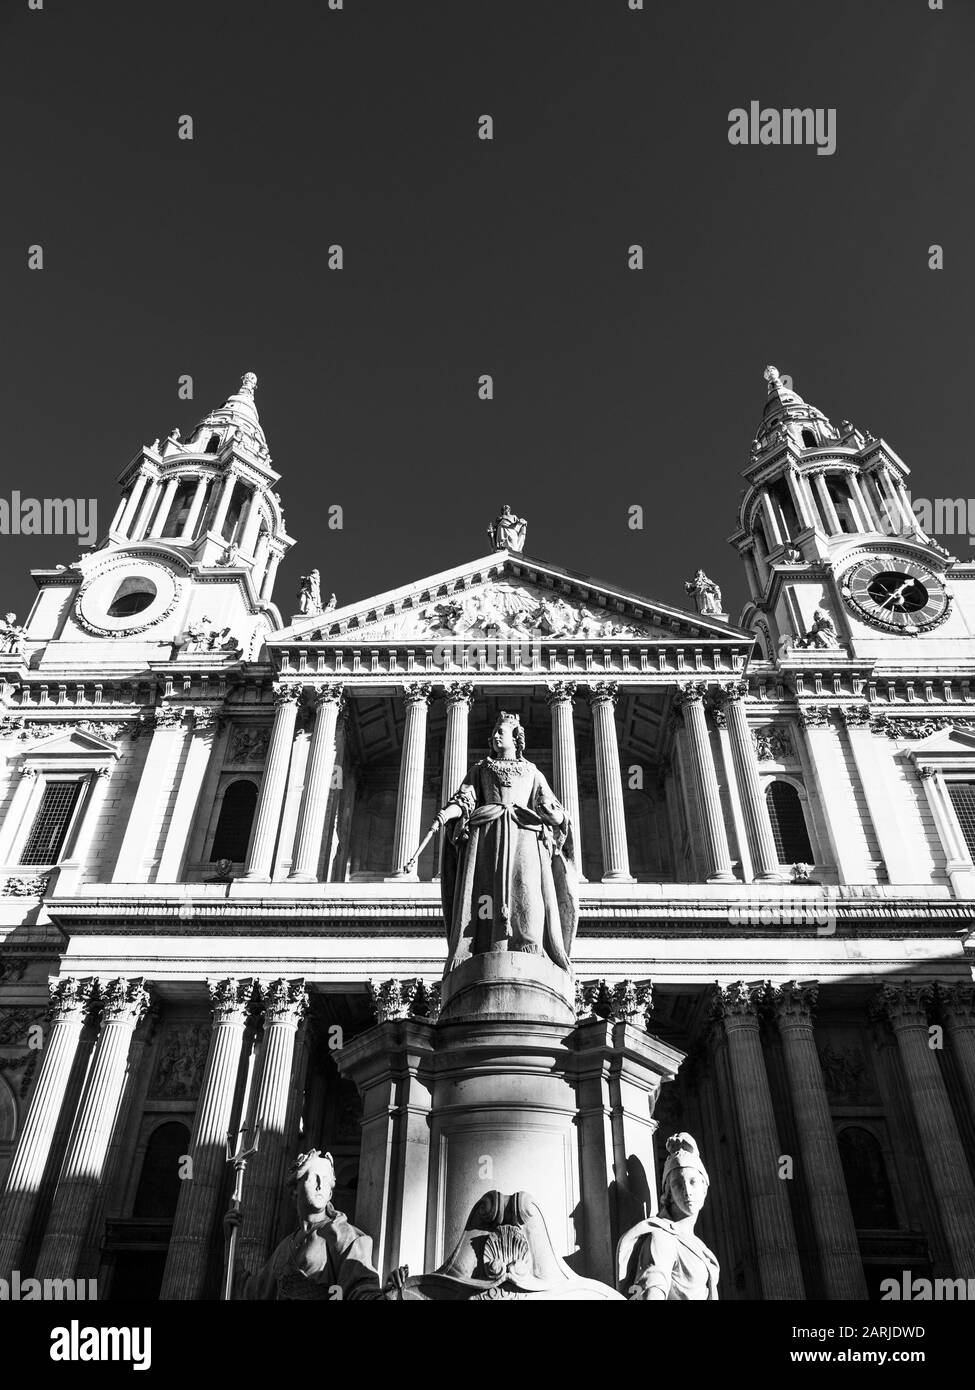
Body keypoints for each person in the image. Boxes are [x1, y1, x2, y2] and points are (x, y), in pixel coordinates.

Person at [406, 712, 578, 970]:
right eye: (495, 732)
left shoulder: (532, 771)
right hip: (487, 835)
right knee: (485, 889)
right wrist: (446, 814)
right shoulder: (481, 768)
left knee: (526, 886)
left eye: (501, 732)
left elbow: (550, 806)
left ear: (516, 738)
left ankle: (528, 942)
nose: (495, 736)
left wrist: (556, 816)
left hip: (524, 835)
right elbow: (464, 800)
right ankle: (481, 943)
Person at [229, 1148, 406, 1300]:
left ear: (330, 1193)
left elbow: (362, 1292)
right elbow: (252, 1292)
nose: (321, 1185)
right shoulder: (284, 1248)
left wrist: (392, 1292)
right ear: (295, 1190)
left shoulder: (346, 1237)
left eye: (326, 1180)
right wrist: (230, 1241)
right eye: (313, 1177)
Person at [617, 1133, 720, 1300]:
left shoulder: (700, 1247)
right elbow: (651, 1293)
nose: (687, 1191)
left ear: (704, 1188)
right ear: (669, 1193)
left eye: (693, 1181)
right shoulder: (663, 1238)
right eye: (678, 1184)